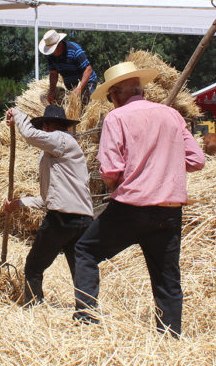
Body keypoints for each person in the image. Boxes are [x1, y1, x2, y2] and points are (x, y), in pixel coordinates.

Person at [72, 61, 206, 337]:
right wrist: (164, 164)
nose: (111, 102)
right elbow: (197, 160)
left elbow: (111, 170)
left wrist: (116, 183)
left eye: (110, 97)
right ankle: (170, 336)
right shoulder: (172, 115)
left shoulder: (116, 118)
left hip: (130, 207)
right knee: (167, 278)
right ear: (140, 91)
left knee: (85, 250)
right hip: (169, 209)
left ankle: (86, 321)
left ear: (116, 94)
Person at [3, 105, 93, 306]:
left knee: (33, 267)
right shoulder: (54, 153)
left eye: (46, 125)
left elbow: (29, 135)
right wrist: (18, 203)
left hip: (62, 218)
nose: (44, 129)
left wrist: (17, 114)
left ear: (52, 125)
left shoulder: (61, 139)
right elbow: (47, 199)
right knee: (79, 269)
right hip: (83, 219)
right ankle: (88, 311)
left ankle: (34, 306)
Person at [39, 29, 98, 105]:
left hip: (87, 83)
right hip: (71, 85)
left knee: (84, 105)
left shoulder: (74, 50)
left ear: (60, 44)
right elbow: (53, 74)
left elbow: (88, 70)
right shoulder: (51, 56)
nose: (53, 52)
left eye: (53, 49)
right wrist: (51, 92)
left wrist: (79, 88)